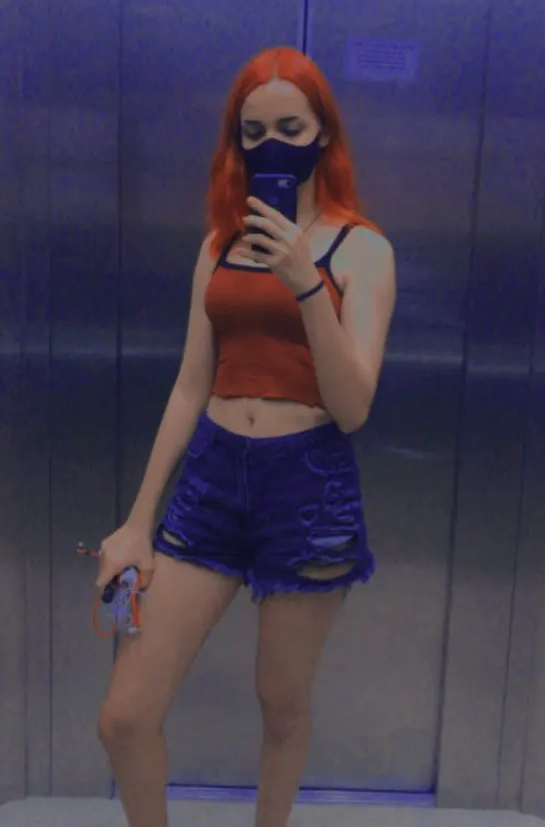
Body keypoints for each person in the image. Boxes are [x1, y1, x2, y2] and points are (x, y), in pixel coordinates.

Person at [95, 46, 396, 827]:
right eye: (252, 133)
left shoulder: (363, 250)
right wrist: (136, 522)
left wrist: (305, 281)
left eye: (290, 128)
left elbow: (352, 407)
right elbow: (190, 384)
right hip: (211, 480)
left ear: (323, 133)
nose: (271, 147)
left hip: (308, 487)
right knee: (124, 716)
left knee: (280, 706)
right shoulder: (218, 245)